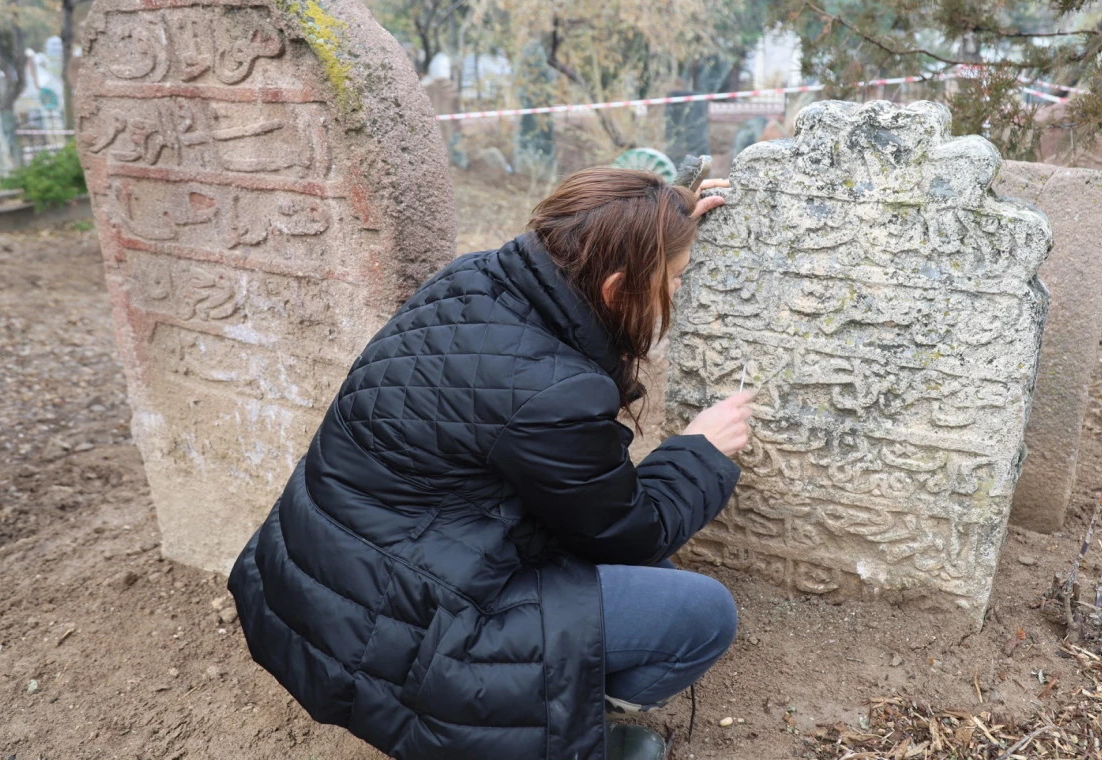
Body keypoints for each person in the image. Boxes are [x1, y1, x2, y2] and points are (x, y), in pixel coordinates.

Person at [228, 168, 752, 760]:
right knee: (699, 612)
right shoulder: (553, 393)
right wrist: (700, 450)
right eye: (674, 278)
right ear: (614, 288)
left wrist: (667, 218)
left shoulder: (475, 278)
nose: (678, 291)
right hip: (391, 624)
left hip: (319, 579)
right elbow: (630, 533)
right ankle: (553, 730)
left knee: (654, 575)